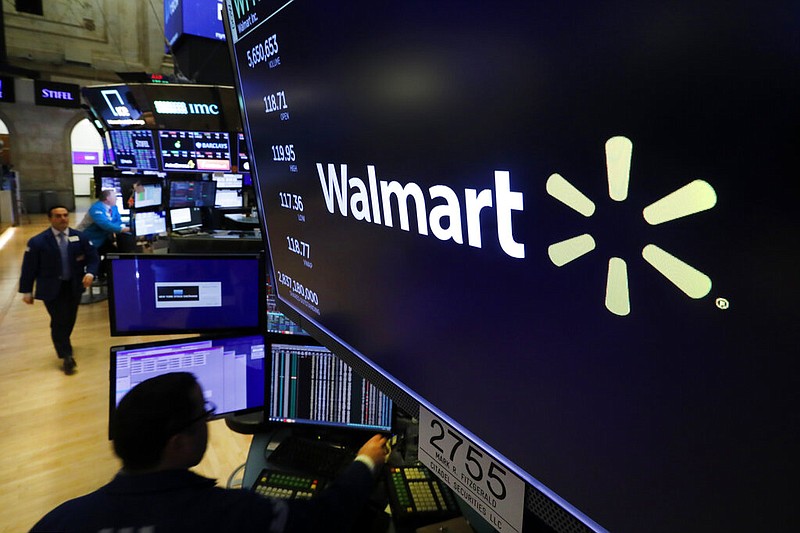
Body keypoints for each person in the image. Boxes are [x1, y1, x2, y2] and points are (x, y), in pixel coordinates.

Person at [30, 372, 389, 532]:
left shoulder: (58, 521)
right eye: (203, 413)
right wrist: (364, 462)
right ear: (178, 443)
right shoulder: (228, 514)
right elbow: (323, 519)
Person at [19, 205, 99, 375]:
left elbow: (93, 257)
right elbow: (29, 268)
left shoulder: (80, 237)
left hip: (73, 286)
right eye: (58, 216)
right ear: (50, 219)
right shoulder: (38, 242)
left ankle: (64, 342)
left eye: (65, 215)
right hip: (51, 289)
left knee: (69, 318)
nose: (63, 219)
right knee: (59, 319)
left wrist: (91, 273)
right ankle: (66, 355)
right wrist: (27, 291)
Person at [78, 189, 134, 254]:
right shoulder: (96, 208)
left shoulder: (114, 207)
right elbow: (105, 224)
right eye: (114, 196)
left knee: (116, 254)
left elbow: (118, 220)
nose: (116, 199)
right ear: (108, 198)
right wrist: (122, 229)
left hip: (102, 238)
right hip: (89, 239)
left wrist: (120, 226)